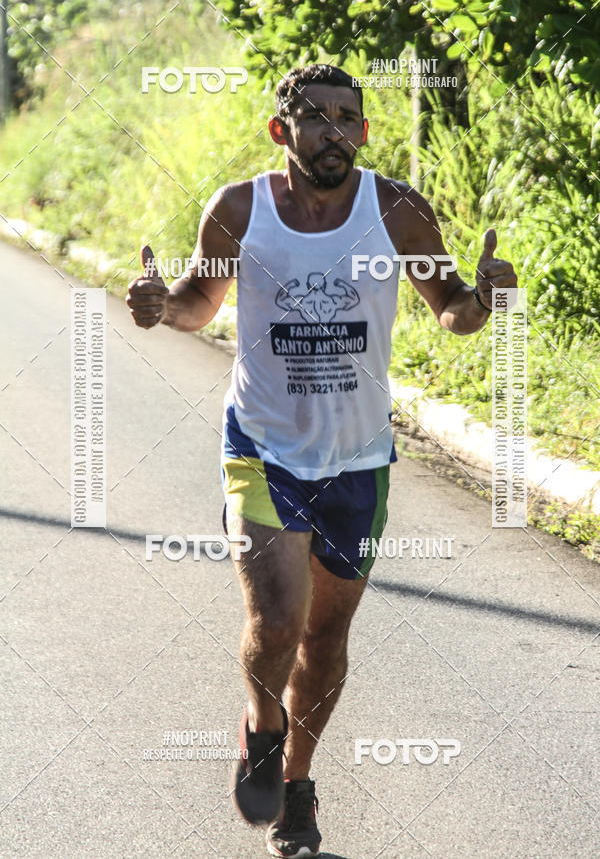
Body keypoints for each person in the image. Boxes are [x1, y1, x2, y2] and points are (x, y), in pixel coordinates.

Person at [126, 63, 517, 858]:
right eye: (317, 118)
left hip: (357, 460)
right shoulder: (239, 210)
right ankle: (262, 729)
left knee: (325, 640)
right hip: (263, 449)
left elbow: (451, 313)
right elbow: (199, 305)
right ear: (283, 131)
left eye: (349, 118)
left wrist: (485, 299)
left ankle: (297, 787)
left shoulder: (398, 210)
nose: (335, 131)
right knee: (275, 623)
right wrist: (159, 305)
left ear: (363, 132)